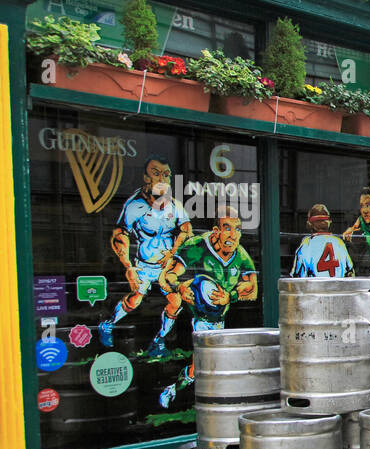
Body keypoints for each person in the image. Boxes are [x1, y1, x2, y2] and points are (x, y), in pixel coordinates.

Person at [156, 207, 258, 408]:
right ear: (215, 230)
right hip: (198, 316)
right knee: (205, 362)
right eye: (226, 228)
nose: (232, 234)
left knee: (205, 366)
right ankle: (190, 396)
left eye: (237, 229)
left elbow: (253, 291)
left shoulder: (242, 255)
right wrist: (181, 287)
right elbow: (168, 276)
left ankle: (179, 390)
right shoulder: (196, 246)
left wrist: (231, 296)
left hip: (223, 318)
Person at [98, 155, 192, 358]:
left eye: (166, 175)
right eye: (156, 173)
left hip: (165, 266)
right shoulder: (135, 206)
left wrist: (173, 251)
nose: (162, 179)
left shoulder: (174, 205)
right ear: (145, 178)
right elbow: (119, 235)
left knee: (176, 302)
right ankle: (107, 325)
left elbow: (186, 229)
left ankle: (158, 341)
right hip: (144, 264)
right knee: (135, 301)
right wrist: (128, 267)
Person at [291, 204, 354, 277]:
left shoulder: (307, 243)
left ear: (310, 224)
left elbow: (298, 276)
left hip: (315, 287)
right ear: (329, 222)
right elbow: (350, 272)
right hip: (337, 287)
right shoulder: (339, 242)